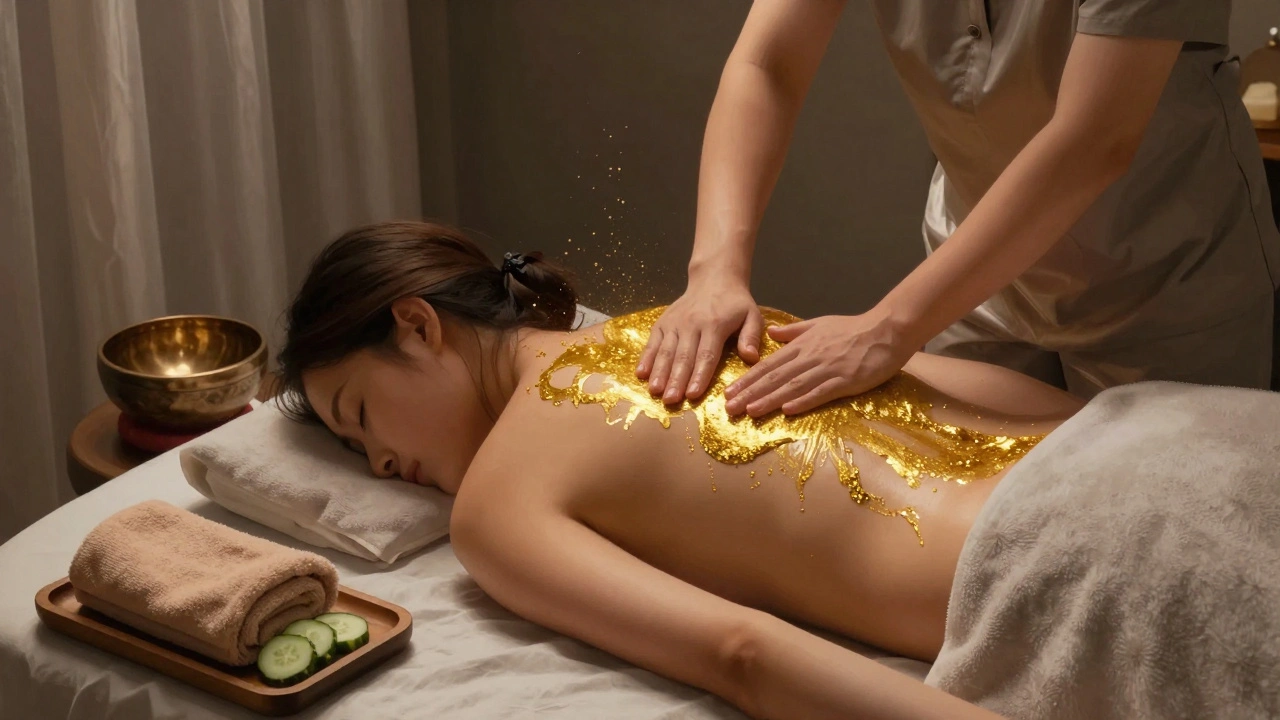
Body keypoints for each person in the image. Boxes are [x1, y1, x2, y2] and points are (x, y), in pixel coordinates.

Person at [277, 221, 1089, 719]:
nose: (380, 463)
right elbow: (993, 396)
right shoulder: (684, 326)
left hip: (1063, 580)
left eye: (358, 417)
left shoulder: (496, 507)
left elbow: (743, 655)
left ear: (417, 327)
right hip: (1143, 446)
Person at [637, 0, 1280, 416]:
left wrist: (889, 328)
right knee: (955, 503)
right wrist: (715, 271)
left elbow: (1094, 139)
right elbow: (768, 62)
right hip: (973, 275)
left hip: (1166, 280)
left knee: (1149, 529)